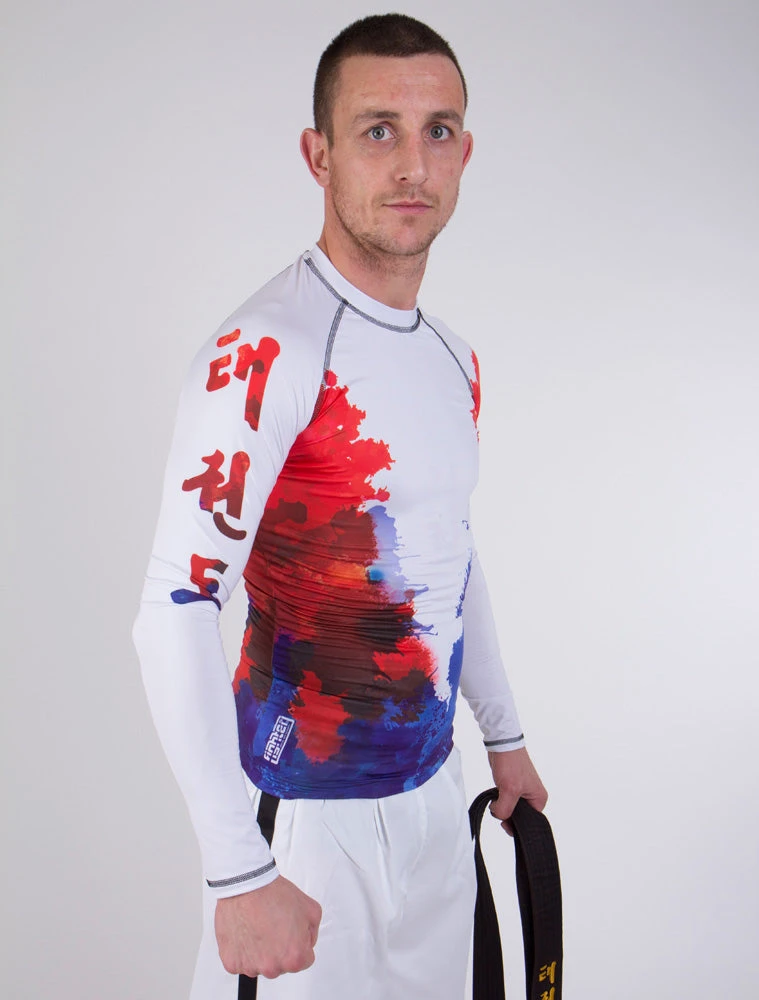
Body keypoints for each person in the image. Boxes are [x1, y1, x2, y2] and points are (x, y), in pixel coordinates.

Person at [133, 13, 547, 1000]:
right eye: (377, 131)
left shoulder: (452, 358)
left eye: (437, 131)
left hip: (434, 798)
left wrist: (503, 734)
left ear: (465, 153)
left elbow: (448, 549)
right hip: (302, 820)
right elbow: (174, 606)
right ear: (318, 155)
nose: (411, 165)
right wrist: (237, 869)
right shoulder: (268, 349)